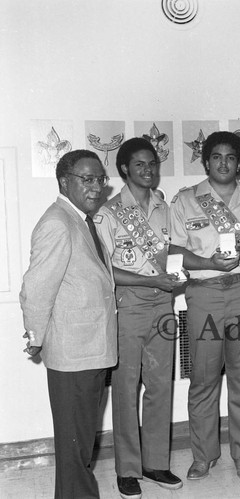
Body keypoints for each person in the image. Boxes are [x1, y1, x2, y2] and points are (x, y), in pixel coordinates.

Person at [169, 131, 240, 481]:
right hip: (205, 294)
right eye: (216, 156)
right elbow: (174, 252)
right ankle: (203, 456)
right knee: (203, 378)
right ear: (207, 161)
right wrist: (209, 262)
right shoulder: (185, 201)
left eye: (231, 157)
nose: (224, 163)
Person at [20, 150, 117, 499]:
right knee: (75, 446)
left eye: (99, 180)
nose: (96, 187)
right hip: (73, 353)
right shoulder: (58, 223)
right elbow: (36, 287)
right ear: (65, 182)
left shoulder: (80, 219)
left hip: (89, 350)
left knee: (79, 442)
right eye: (86, 180)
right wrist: (35, 336)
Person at [95, 138, 183, 499]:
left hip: (163, 303)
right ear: (124, 170)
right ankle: (128, 468)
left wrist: (181, 272)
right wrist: (152, 279)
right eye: (140, 165)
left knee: (161, 385)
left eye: (152, 164)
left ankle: (156, 461)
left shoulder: (165, 207)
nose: (148, 170)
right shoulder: (109, 212)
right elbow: (105, 268)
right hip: (128, 305)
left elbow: (172, 251)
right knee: (127, 387)